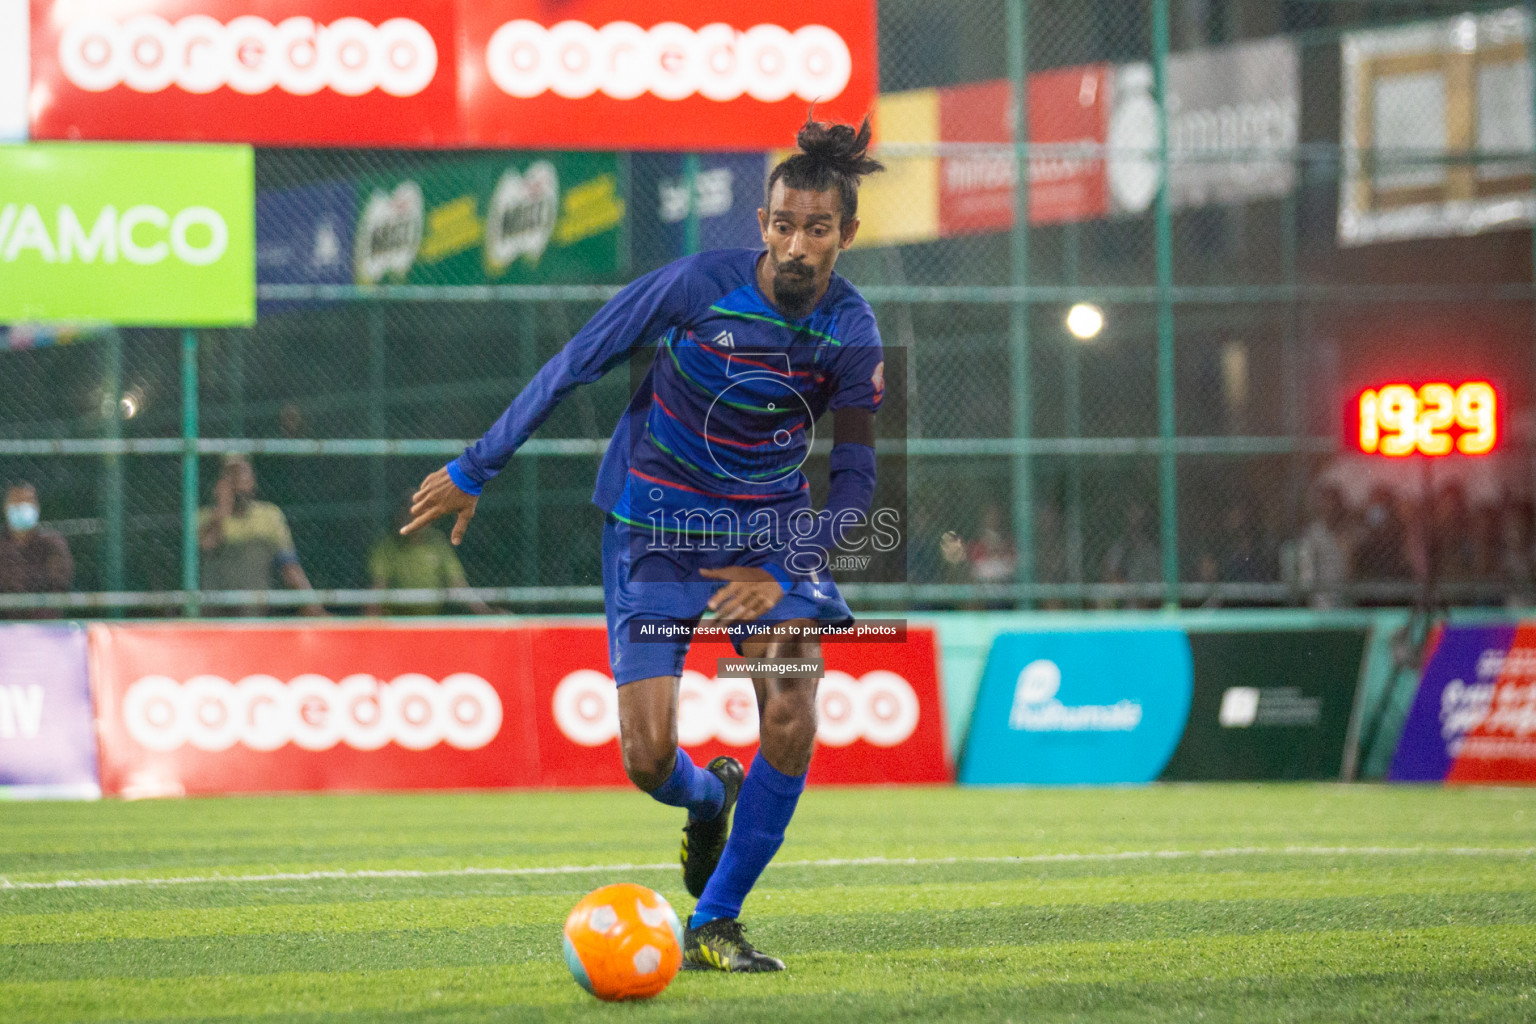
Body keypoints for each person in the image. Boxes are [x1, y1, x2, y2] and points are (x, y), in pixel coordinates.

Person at [403, 115, 886, 973]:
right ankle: (710, 799)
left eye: (819, 228)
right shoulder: (697, 285)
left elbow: (853, 479)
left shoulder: (853, 332)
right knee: (648, 756)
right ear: (763, 225)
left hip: (768, 528)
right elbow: (577, 360)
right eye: (783, 225)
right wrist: (477, 466)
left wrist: (784, 570)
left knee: (792, 702)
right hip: (655, 526)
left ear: (847, 233)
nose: (798, 244)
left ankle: (715, 921)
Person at [198, 455, 324, 616]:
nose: (237, 481)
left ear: (253, 480)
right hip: (215, 614)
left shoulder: (270, 515)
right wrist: (222, 512)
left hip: (255, 612)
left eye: (242, 473)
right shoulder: (205, 517)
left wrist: (314, 609)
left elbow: (289, 567)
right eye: (230, 474)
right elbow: (208, 544)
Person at [365, 494, 494, 616]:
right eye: (411, 513)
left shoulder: (438, 542)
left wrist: (486, 613)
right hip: (397, 622)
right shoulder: (387, 547)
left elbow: (457, 584)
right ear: (400, 516)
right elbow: (378, 587)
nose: (417, 518)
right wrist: (370, 624)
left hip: (432, 621)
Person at [0, 481, 73, 619]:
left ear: (36, 507)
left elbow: (59, 585)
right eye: (16, 501)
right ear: (5, 507)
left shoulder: (52, 544)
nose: (21, 506)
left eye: (26, 501)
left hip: (44, 626)